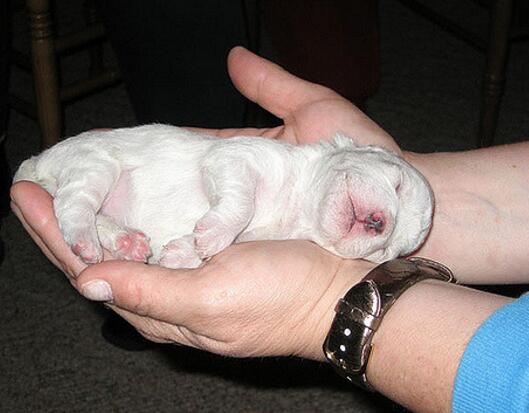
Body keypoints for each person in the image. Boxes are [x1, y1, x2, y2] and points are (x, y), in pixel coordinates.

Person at [11, 47, 529, 413]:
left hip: (135, 217)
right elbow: (227, 160)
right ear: (358, 149)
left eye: (387, 244)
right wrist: (231, 213)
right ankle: (79, 210)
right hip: (114, 162)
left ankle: (102, 228)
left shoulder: (291, 238)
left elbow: (222, 247)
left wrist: (194, 252)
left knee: (132, 242)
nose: (381, 222)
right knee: (93, 173)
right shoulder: (290, 163)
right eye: (395, 185)